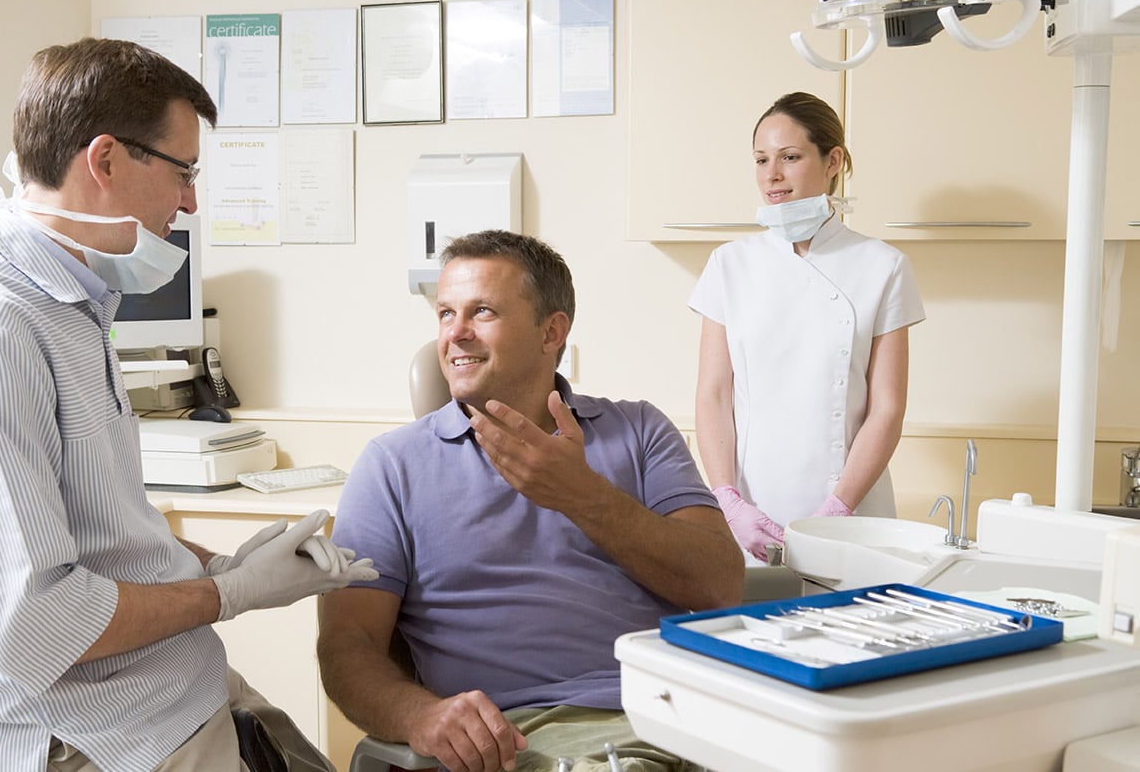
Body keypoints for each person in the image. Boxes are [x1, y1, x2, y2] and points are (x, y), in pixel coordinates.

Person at [0, 37, 376, 772]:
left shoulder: (75, 303)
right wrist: (229, 592)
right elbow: (37, 621)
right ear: (105, 160)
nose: (191, 200)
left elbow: (100, 536)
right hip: (90, 731)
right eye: (184, 170)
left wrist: (223, 560)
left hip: (170, 686)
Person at [318, 230, 745, 772]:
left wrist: (581, 495)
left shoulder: (639, 430)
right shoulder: (391, 466)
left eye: (483, 312)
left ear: (552, 331)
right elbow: (346, 645)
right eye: (446, 313)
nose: (456, 335)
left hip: (684, 711)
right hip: (524, 734)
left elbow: (721, 585)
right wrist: (420, 716)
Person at [690, 91, 926, 563]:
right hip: (752, 512)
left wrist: (838, 508)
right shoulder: (729, 264)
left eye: (790, 157)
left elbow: (887, 408)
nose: (771, 175)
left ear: (833, 160)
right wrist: (727, 500)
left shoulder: (883, 266)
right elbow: (714, 394)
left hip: (853, 516)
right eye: (761, 160)